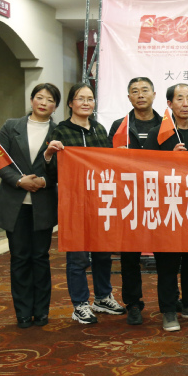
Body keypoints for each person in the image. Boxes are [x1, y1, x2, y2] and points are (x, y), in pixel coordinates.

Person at [44, 83, 126, 324]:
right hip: (74, 203)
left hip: (101, 201)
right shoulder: (60, 131)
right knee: (78, 256)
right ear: (71, 103)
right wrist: (49, 155)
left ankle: (102, 297)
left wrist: (119, 155)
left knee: (103, 253)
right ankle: (79, 304)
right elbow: (51, 171)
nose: (86, 103)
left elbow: (107, 165)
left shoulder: (99, 129)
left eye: (90, 99)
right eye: (81, 98)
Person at [144, 83, 188, 331]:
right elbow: (145, 169)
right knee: (167, 261)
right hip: (167, 206)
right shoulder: (158, 134)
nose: (185, 103)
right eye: (180, 99)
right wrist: (169, 159)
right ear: (169, 104)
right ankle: (168, 310)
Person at [0, 83, 61, 328]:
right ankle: (22, 312)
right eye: (40, 97)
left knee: (40, 257)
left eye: (50, 100)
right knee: (19, 257)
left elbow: (64, 167)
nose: (44, 103)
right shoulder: (11, 126)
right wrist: (19, 180)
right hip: (15, 202)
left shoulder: (58, 131)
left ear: (55, 106)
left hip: (43, 203)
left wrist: (44, 181)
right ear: (32, 100)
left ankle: (41, 311)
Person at [107, 77, 162, 326]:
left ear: (154, 94)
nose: (140, 95)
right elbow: (105, 162)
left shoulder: (166, 124)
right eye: (135, 91)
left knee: (166, 253)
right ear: (129, 97)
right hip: (129, 198)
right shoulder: (119, 126)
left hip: (160, 198)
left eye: (145, 90)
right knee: (130, 255)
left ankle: (169, 301)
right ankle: (133, 303)